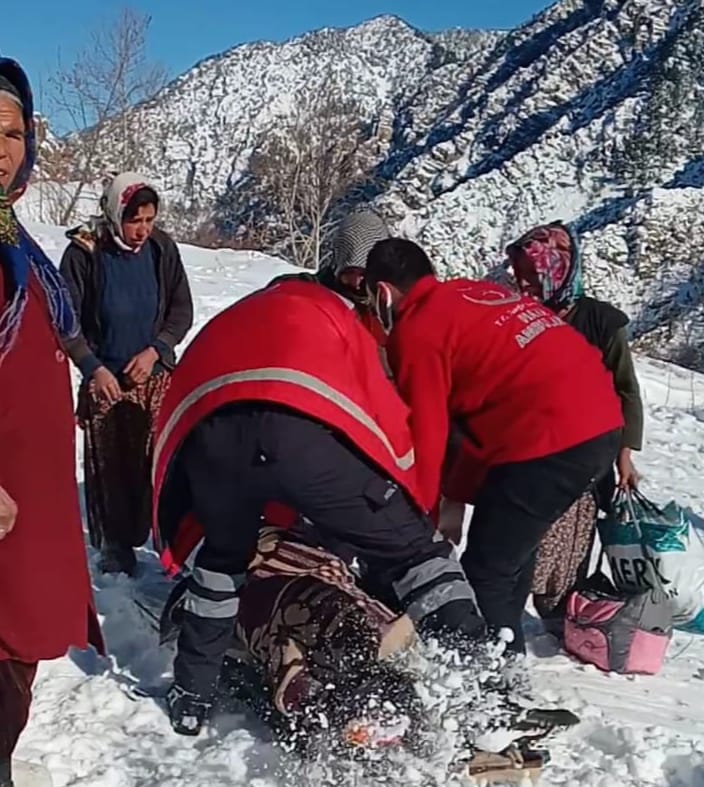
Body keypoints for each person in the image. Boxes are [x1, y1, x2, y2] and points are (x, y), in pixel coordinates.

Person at [152, 273, 484, 736]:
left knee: (222, 562)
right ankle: (482, 694)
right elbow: (381, 414)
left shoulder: (235, 317)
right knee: (418, 554)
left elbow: (177, 413)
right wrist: (404, 502)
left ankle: (191, 697)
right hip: (297, 436)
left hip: (213, 437)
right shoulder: (331, 316)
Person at [364, 238, 624, 653]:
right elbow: (476, 416)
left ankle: (492, 690)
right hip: (601, 426)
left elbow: (427, 436)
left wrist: (422, 529)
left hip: (548, 440)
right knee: (508, 554)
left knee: (486, 572)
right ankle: (509, 664)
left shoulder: (417, 331)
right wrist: (455, 502)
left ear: (383, 293)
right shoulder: (476, 293)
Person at [0, 58, 103, 787]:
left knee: (18, 657)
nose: (1, 146)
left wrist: (89, 362)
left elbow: (56, 326)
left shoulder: (19, 248)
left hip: (27, 505)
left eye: (11, 131)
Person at [506, 221, 644, 624]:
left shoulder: (601, 323)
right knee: (520, 547)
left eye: (534, 277)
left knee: (565, 553)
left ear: (561, 270)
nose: (526, 286)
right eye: (521, 277)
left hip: (584, 457)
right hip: (525, 450)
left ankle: (561, 619)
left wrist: (624, 455)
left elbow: (625, 390)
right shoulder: (517, 318)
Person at [60, 173, 193, 576]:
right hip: (107, 380)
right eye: (135, 220)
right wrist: (92, 367)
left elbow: (180, 310)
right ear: (116, 213)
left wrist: (157, 350)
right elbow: (66, 321)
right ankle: (117, 545)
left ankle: (169, 541)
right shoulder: (85, 253)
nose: (142, 230)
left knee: (156, 464)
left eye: (149, 220)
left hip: (152, 376)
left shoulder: (161, 249)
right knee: (113, 468)